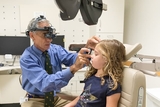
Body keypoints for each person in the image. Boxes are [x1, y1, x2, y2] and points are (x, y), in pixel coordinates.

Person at [19, 15, 100, 107]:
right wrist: (73, 68)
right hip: (35, 99)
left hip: (55, 98)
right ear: (32, 35)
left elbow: (74, 59)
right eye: (44, 35)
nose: (49, 39)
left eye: (50, 35)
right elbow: (45, 83)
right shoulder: (27, 58)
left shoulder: (55, 50)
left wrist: (87, 48)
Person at [64, 39, 126, 107]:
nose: (91, 56)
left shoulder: (111, 86)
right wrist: (68, 105)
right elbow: (82, 97)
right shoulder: (91, 77)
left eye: (96, 54)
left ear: (107, 59)